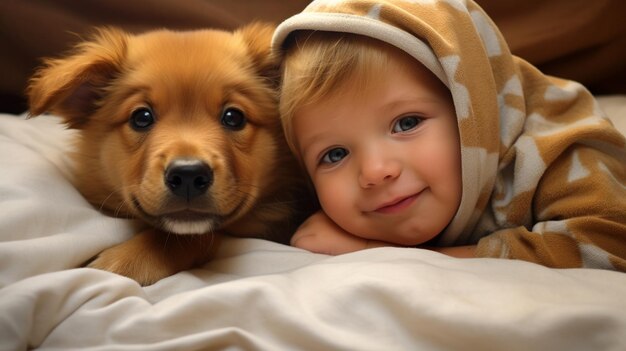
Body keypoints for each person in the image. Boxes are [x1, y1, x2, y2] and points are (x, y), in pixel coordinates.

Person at [271, 0, 626, 271]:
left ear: (473, 108)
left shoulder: (558, 150)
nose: (376, 171)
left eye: (407, 123)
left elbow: (606, 241)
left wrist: (382, 253)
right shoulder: (328, 207)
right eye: (334, 154)